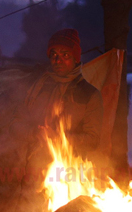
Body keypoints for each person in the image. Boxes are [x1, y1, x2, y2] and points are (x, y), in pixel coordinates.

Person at [24, 28, 103, 160]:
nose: (58, 61)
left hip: (71, 169)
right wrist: (34, 133)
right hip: (33, 165)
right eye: (54, 55)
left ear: (75, 58)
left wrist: (59, 138)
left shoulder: (89, 94)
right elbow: (15, 123)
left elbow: (92, 140)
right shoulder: (37, 88)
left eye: (65, 55)